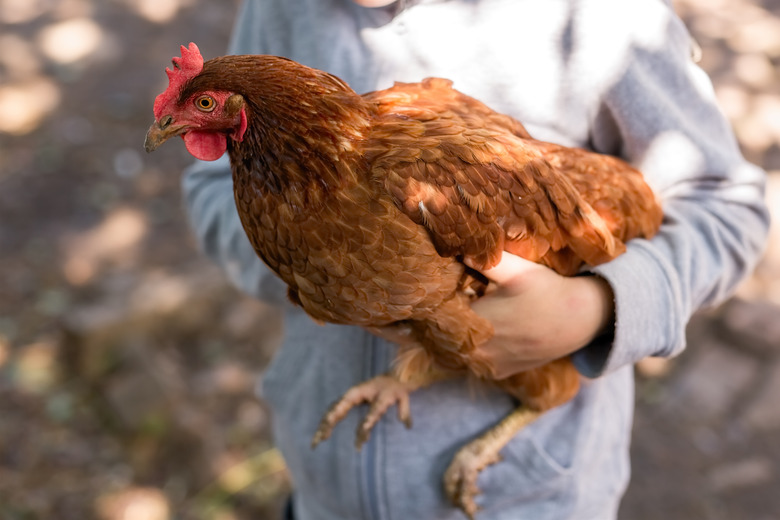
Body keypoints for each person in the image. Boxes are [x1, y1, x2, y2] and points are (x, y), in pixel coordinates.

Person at [181, 0, 769, 518]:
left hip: (530, 499)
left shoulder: (604, 13)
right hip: (327, 491)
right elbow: (209, 187)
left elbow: (730, 205)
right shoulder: (281, 8)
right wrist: (313, 265)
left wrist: (594, 308)